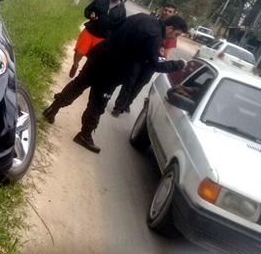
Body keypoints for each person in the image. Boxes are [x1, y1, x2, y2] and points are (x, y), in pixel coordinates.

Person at [43, 14, 188, 154]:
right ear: (170, 28)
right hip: (113, 71)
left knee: (78, 85)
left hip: (99, 55)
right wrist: (178, 64)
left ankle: (52, 109)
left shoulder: (142, 17)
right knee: (98, 103)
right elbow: (156, 64)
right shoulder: (155, 36)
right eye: (176, 34)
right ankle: (84, 135)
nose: (174, 38)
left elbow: (113, 27)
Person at [111, 3, 178, 117]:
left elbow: (166, 53)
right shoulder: (152, 22)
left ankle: (127, 104)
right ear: (162, 10)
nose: (166, 12)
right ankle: (118, 107)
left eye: (170, 11)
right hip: (139, 57)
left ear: (174, 14)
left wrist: (160, 59)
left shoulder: (173, 33)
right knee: (129, 81)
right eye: (165, 10)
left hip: (152, 63)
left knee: (140, 84)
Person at [69, 0, 127, 78]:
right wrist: (90, 15)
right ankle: (75, 65)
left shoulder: (122, 11)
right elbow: (87, 11)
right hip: (89, 31)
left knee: (93, 59)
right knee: (79, 51)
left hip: (103, 38)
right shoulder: (100, 0)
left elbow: (119, 27)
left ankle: (83, 73)